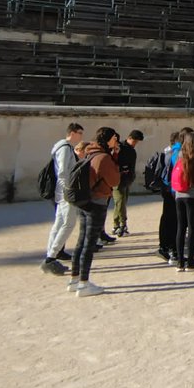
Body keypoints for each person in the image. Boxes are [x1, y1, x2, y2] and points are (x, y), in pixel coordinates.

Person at [68, 127, 122, 297]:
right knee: (89, 244)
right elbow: (114, 180)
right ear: (107, 139)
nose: (116, 141)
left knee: (81, 240)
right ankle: (84, 284)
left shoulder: (90, 153)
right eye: (114, 138)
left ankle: (74, 279)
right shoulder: (103, 157)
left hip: (84, 201)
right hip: (97, 202)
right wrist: (115, 158)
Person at [42, 123, 84, 275]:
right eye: (80, 133)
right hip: (66, 192)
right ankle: (51, 257)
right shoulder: (65, 148)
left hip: (62, 192)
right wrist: (69, 189)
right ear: (72, 133)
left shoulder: (63, 147)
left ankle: (51, 255)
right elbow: (63, 172)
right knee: (68, 224)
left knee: (60, 223)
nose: (81, 136)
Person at [171, 129, 194, 272]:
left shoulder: (180, 155)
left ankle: (180, 261)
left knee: (181, 227)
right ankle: (190, 261)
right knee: (192, 229)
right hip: (193, 195)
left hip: (179, 194)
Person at [111, 129, 143, 236]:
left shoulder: (131, 150)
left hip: (127, 180)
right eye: (134, 141)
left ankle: (116, 225)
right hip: (118, 179)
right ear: (129, 138)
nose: (135, 143)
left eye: (137, 142)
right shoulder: (120, 147)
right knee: (120, 202)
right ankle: (122, 224)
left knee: (121, 203)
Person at [156, 132, 180, 264]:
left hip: (166, 188)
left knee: (166, 217)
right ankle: (171, 249)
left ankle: (164, 246)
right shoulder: (176, 153)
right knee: (173, 219)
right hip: (173, 190)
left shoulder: (168, 151)